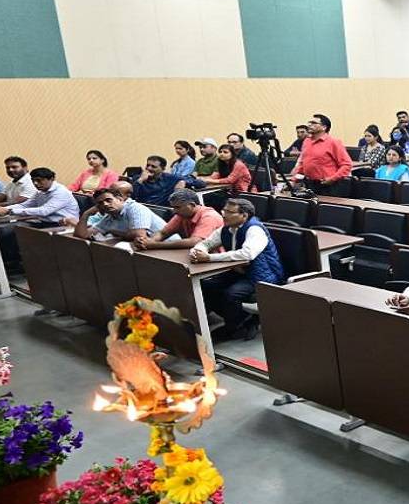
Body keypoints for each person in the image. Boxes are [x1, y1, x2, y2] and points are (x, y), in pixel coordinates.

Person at [191, 198, 285, 341]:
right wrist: (196, 251)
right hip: (238, 272)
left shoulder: (255, 229)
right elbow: (206, 243)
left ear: (244, 215)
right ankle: (243, 319)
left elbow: (248, 254)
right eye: (224, 211)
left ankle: (236, 328)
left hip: (262, 276)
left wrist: (209, 258)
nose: (224, 215)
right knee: (206, 285)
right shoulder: (226, 229)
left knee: (231, 294)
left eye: (229, 212)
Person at [133, 189, 223, 251]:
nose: (174, 211)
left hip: (216, 260)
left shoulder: (209, 216)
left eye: (177, 207)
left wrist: (154, 245)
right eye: (173, 207)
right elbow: (163, 233)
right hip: (197, 254)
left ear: (191, 205)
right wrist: (148, 242)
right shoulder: (182, 214)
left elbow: (194, 242)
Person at [73, 187, 166, 242]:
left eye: (108, 200)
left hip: (168, 246)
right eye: (100, 203)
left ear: (120, 199)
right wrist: (86, 214)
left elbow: (139, 235)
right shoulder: (109, 217)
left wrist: (114, 232)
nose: (105, 204)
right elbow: (81, 235)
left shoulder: (135, 208)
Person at [0, 168, 80, 222]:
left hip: (63, 225)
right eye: (33, 180)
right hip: (44, 222)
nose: (36, 183)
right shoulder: (40, 191)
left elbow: (44, 211)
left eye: (39, 180)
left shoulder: (61, 192)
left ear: (51, 179)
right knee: (10, 230)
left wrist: (10, 211)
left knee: (11, 231)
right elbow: (24, 205)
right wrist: (5, 209)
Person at [291, 114, 352, 192]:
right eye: (309, 123)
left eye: (313, 123)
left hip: (328, 185)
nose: (309, 125)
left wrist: (332, 179)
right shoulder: (307, 141)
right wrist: (294, 180)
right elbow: (302, 164)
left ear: (324, 127)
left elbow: (347, 165)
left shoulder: (333, 142)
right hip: (310, 184)